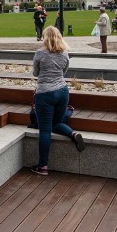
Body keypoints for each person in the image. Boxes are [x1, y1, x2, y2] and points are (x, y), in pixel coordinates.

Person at [30, 26, 86, 176]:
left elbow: (35, 73)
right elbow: (64, 72)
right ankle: (73, 134)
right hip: (62, 91)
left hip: (45, 93)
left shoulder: (40, 53)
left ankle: (43, 166)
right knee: (57, 122)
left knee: (45, 130)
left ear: (45, 37)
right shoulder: (65, 54)